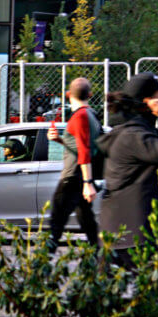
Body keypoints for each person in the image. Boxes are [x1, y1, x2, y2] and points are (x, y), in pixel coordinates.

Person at [96, 72, 158, 267]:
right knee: (145, 292)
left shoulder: (137, 132)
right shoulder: (133, 136)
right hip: (131, 233)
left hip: (126, 229)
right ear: (149, 101)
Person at [46, 77, 102, 249]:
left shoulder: (81, 116)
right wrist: (60, 140)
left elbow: (84, 149)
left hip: (73, 178)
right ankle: (102, 261)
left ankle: (41, 265)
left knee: (56, 224)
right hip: (79, 177)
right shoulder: (91, 114)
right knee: (87, 222)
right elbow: (82, 146)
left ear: (68, 94)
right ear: (90, 94)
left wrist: (87, 183)